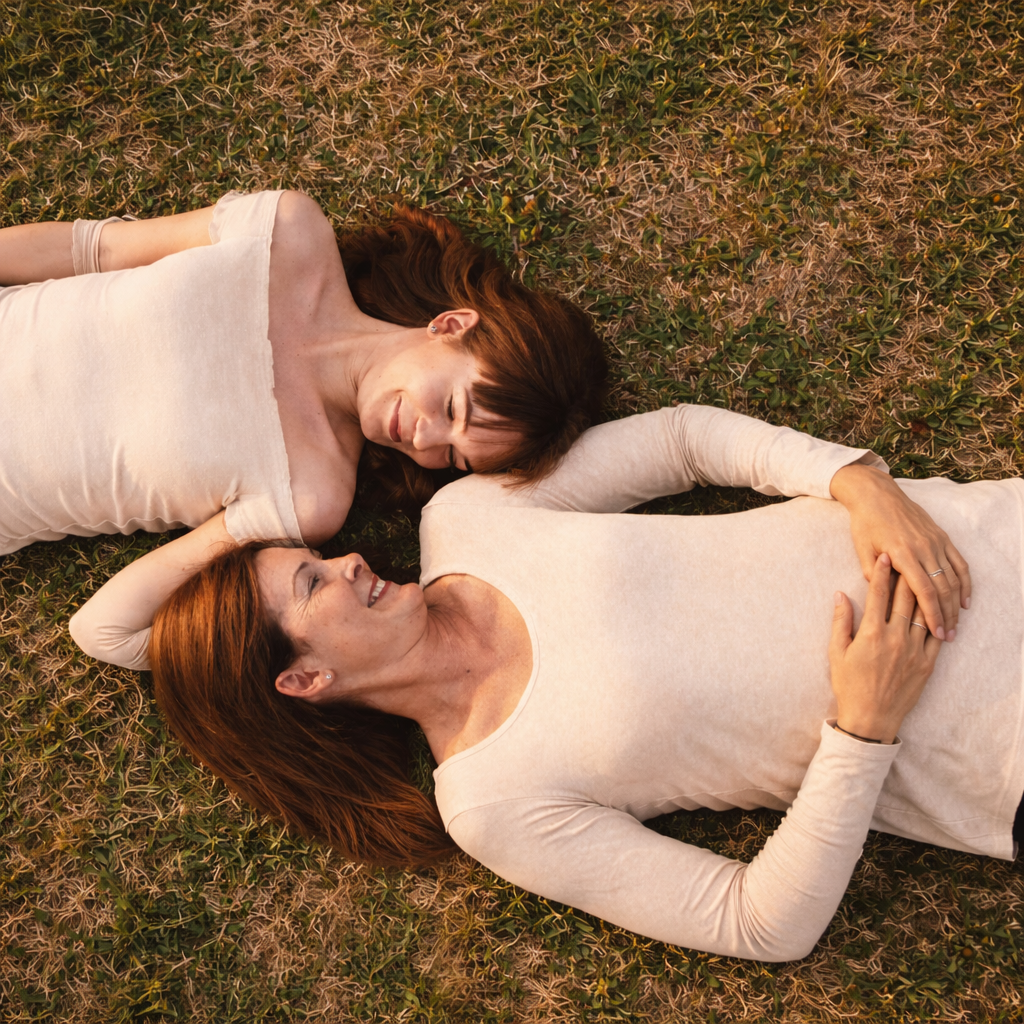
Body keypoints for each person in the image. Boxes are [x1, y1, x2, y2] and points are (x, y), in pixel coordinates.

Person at [71, 404, 1022, 962]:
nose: (354, 558)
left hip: (997, 541)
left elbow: (685, 440)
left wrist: (859, 484)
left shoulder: (473, 518)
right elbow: (761, 924)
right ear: (305, 678)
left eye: (318, 554)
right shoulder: (493, 800)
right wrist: (862, 732)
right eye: (313, 583)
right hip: (999, 759)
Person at [0, 188, 607, 562]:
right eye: (452, 410)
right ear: (450, 325)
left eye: (452, 460)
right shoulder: (286, 235)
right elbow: (93, 251)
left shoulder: (312, 496)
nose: (425, 442)